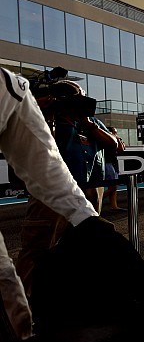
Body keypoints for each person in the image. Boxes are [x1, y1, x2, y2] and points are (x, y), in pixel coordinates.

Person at [0, 69, 100, 342]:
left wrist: (85, 121)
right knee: (34, 255)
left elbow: (113, 145)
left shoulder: (84, 124)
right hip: (45, 202)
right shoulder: (33, 109)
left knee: (76, 254)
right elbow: (25, 164)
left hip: (76, 194)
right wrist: (44, 114)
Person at [17, 80, 117, 295]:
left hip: (89, 190)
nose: (79, 103)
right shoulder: (42, 118)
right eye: (76, 99)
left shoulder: (90, 121)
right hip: (52, 193)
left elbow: (115, 144)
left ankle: (72, 300)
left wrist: (87, 123)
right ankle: (24, 309)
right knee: (39, 248)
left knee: (85, 248)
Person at [104, 126, 126, 210]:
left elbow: (123, 148)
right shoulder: (107, 140)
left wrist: (119, 140)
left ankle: (114, 206)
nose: (116, 134)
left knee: (113, 187)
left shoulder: (115, 140)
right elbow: (121, 149)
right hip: (108, 163)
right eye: (115, 132)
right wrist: (116, 138)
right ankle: (93, 200)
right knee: (113, 187)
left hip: (113, 163)